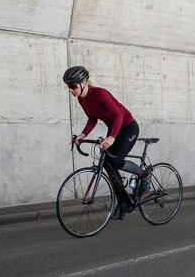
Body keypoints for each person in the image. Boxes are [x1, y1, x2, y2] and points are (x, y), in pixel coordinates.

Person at [63, 66, 149, 216]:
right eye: (67, 86)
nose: (70, 90)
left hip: (128, 127)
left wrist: (112, 137)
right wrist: (83, 134)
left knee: (115, 161)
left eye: (73, 86)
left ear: (84, 82)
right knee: (108, 164)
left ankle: (144, 175)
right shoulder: (82, 100)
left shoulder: (101, 94)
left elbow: (118, 116)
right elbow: (92, 117)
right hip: (114, 129)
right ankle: (123, 201)